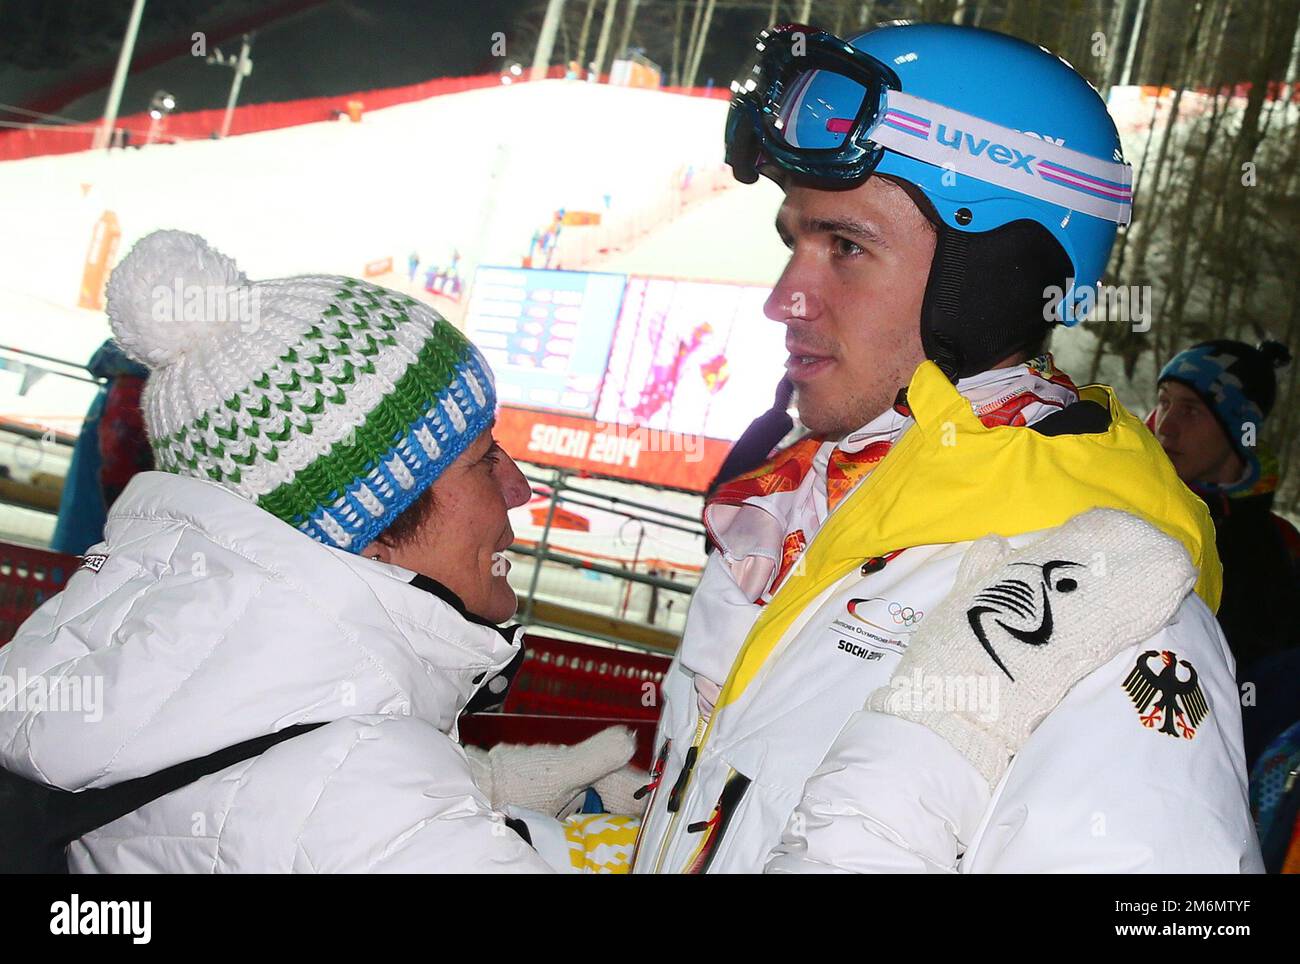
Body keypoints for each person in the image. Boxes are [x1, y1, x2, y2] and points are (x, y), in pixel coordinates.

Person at [631, 22, 1261, 873]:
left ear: (992, 277)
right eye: (796, 242)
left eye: (846, 247)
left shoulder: (1109, 608)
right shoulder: (799, 515)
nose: (786, 300)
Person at [0, 230, 638, 873]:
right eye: (482, 461)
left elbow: (260, 811)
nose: (520, 488)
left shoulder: (141, 690)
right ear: (372, 530)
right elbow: (342, 815)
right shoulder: (375, 807)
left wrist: (477, 790)